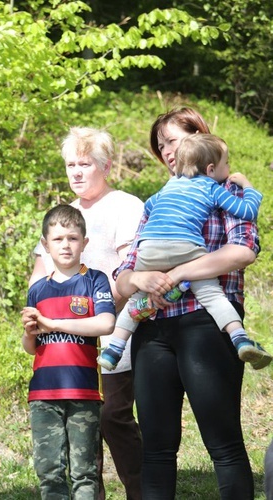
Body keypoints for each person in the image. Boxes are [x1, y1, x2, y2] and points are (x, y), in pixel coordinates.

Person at [114, 107, 258, 498]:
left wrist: (177, 274)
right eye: (160, 147)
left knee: (223, 443)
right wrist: (138, 278)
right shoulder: (157, 201)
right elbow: (123, 277)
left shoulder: (227, 191)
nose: (167, 152)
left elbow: (243, 251)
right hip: (153, 330)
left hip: (207, 323)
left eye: (173, 141)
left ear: (198, 137)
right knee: (156, 449)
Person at [29, 127, 144, 499]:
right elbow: (38, 275)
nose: (76, 173)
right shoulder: (64, 217)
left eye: (85, 164)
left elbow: (131, 271)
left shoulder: (126, 206)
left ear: (106, 165)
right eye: (70, 165)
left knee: (113, 419)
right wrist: (36, 319)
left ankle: (141, 491)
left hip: (115, 335)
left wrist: (94, 315)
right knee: (80, 433)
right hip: (62, 344)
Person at [99, 133, 268, 371]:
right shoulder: (213, 187)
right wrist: (248, 185)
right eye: (226, 164)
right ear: (210, 169)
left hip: (149, 250)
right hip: (184, 247)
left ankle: (114, 348)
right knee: (211, 294)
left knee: (136, 300)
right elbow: (247, 210)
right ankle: (239, 338)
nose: (229, 170)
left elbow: (149, 206)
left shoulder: (169, 185)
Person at [22, 204, 116, 499]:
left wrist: (54, 323)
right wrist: (30, 332)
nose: (66, 245)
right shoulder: (37, 290)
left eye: (73, 238)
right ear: (45, 245)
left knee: (85, 471)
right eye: (58, 239)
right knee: (49, 471)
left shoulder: (95, 280)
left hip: (83, 393)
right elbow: (30, 347)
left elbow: (106, 323)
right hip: (43, 395)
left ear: (84, 243)